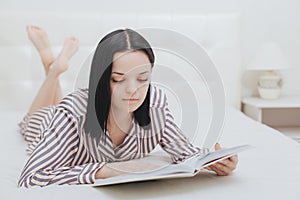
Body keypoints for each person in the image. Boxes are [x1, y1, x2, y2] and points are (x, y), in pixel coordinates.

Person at [18, 25, 238, 188]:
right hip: (49, 121)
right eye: (118, 79)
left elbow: (187, 153)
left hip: (75, 108)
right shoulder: (71, 114)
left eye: (142, 79)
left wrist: (215, 161)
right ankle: (53, 69)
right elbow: (30, 178)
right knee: (30, 120)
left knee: (61, 102)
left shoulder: (156, 106)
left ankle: (54, 67)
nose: (133, 90)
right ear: (101, 80)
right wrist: (104, 170)